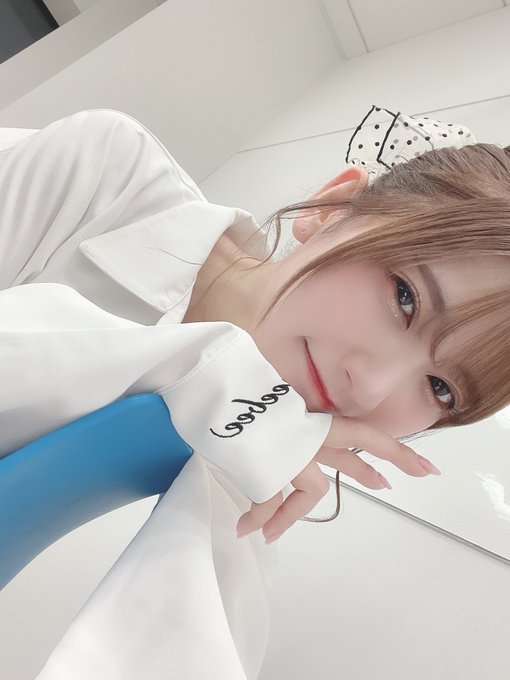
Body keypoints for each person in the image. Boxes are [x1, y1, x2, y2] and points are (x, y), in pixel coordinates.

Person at [1, 104, 506, 679]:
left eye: (441, 388)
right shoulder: (102, 174)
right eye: (405, 297)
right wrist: (196, 375)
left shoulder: (257, 481)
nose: (370, 387)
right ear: (330, 209)